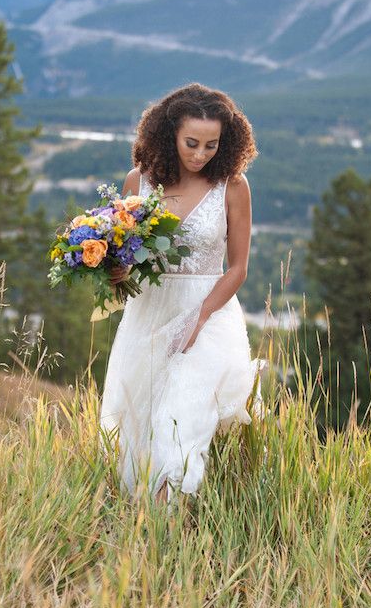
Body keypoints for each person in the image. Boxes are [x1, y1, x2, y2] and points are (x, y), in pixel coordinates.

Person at [99, 82, 263, 504]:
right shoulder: (139, 181)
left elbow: (238, 267)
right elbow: (129, 255)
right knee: (140, 423)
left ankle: (167, 522)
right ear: (169, 134)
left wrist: (199, 317)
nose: (201, 154)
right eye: (192, 143)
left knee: (181, 420)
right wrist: (116, 270)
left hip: (209, 314)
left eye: (212, 145)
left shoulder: (234, 186)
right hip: (149, 313)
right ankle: (140, 532)